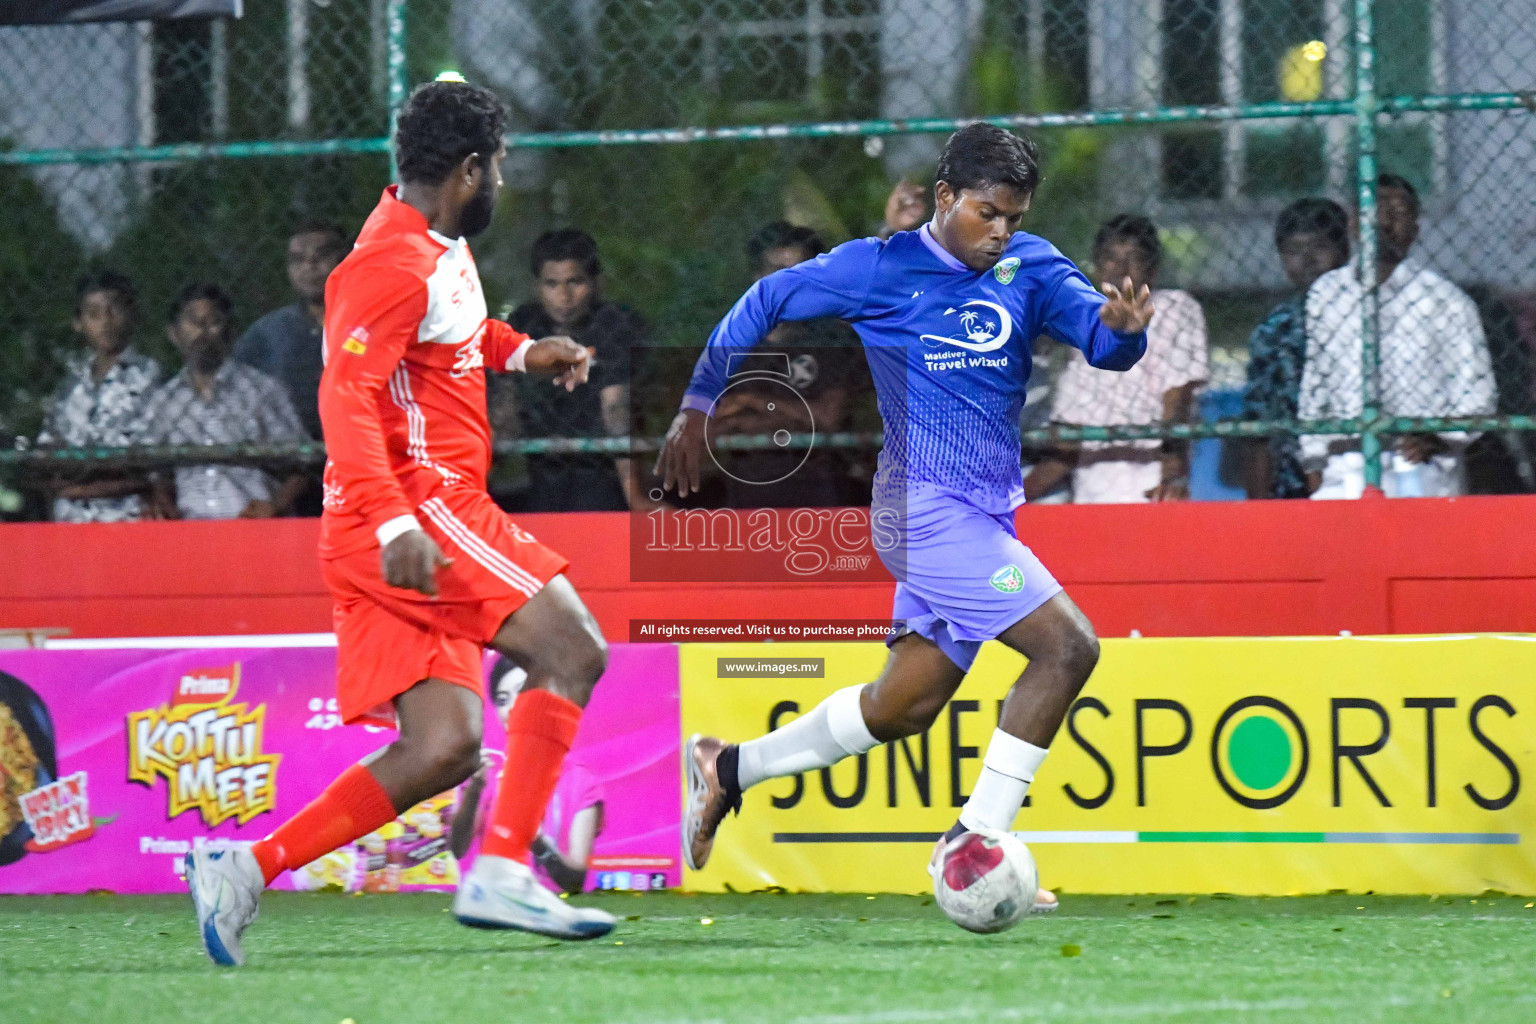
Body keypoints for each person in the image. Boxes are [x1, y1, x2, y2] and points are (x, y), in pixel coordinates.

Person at [655, 123, 1152, 912]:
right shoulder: (879, 269)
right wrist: (696, 403)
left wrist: (1124, 335)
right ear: (947, 197)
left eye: (1014, 218)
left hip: (987, 512)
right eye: (988, 213)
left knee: (903, 707)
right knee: (1067, 648)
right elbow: (767, 298)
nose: (1001, 232)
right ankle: (977, 840)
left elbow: (1103, 341)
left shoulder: (1032, 266)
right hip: (918, 510)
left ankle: (727, 769)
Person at [183, 78, 612, 967]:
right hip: (418, 509)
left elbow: (456, 332)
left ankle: (246, 868)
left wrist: (526, 351)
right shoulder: (390, 264)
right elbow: (344, 397)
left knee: (446, 745)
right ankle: (501, 870)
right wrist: (390, 525)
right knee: (572, 650)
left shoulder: (433, 243)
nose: (501, 179)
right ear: (468, 169)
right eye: (497, 165)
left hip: (405, 516)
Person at [1299, 174, 1498, 498]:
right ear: (1352, 223)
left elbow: (1479, 397)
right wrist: (1313, 462)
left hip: (1420, 473)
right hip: (1343, 471)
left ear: (1415, 230)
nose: (1384, 222)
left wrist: (1438, 437)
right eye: (1373, 210)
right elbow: (1315, 386)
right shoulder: (1327, 293)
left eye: (1399, 213)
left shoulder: (1446, 302)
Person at [1024, 215, 1208, 504]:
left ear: (1153, 269)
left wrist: (1173, 473)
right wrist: (1005, 502)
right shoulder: (1086, 326)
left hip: (1152, 491)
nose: (1121, 269)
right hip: (1091, 497)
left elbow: (1178, 401)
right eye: (1110, 258)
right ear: (1095, 267)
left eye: (1134, 259)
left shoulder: (1174, 308)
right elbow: (1068, 442)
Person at [705, 221, 863, 508]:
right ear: (757, 277)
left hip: (822, 492)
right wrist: (793, 418)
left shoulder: (833, 340)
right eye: (776, 271)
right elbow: (711, 425)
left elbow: (826, 418)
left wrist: (748, 402)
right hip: (746, 494)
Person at [498, 229, 644, 511]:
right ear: (537, 286)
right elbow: (505, 405)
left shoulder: (612, 324)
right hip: (537, 467)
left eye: (574, 282)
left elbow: (615, 409)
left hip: (601, 470)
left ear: (595, 282)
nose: (564, 296)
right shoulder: (523, 325)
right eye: (552, 284)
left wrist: (633, 493)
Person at [137, 283, 310, 520]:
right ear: (174, 334)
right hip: (191, 526)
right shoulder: (164, 402)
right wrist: (165, 507)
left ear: (230, 331)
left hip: (253, 523)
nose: (202, 331)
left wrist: (275, 506)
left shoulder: (262, 391)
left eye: (213, 321)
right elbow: (157, 474)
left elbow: (303, 464)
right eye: (192, 322)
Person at [448, 657, 605, 895]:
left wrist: (537, 841)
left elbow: (574, 881)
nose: (512, 707)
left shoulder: (580, 782)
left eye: (523, 693)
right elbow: (458, 849)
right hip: (493, 907)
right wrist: (474, 791)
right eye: (502, 699)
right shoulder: (487, 772)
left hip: (551, 912)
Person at [1241, 198, 1351, 499]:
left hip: (1354, 467)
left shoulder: (1366, 315)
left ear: (1344, 250)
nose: (1307, 260)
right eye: (1293, 251)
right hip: (1291, 479)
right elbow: (1259, 426)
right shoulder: (1275, 328)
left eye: (1319, 247)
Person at [36, 270, 161, 523]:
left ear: (133, 315)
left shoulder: (149, 378)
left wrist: (78, 484)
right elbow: (47, 455)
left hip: (126, 518)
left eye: (114, 310)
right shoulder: (69, 387)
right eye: (93, 314)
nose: (105, 322)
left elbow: (144, 466)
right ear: (78, 322)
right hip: (71, 520)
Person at [233, 221, 349, 442]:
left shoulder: (371, 321)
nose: (309, 267)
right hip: (289, 456)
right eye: (298, 260)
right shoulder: (268, 333)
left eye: (321, 257)